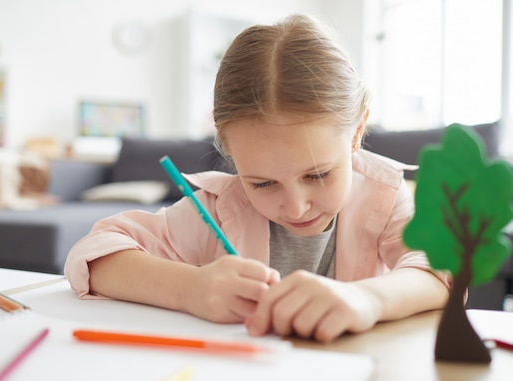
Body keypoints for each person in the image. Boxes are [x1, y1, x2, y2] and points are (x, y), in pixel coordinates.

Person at [64, 14, 451, 343]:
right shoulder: (218, 206)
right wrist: (190, 289)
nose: (296, 206)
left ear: (356, 130)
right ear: (229, 149)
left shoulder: (384, 195)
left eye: (317, 174)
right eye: (263, 183)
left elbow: (442, 271)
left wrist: (368, 300)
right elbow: (93, 253)